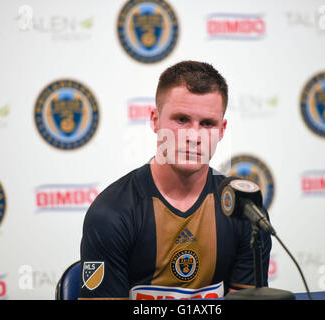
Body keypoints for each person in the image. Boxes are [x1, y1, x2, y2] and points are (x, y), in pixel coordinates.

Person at [79, 60, 271, 300]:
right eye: (181, 120)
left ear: (222, 130)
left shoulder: (243, 209)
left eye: (207, 124)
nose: (193, 136)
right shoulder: (111, 212)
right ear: (154, 120)